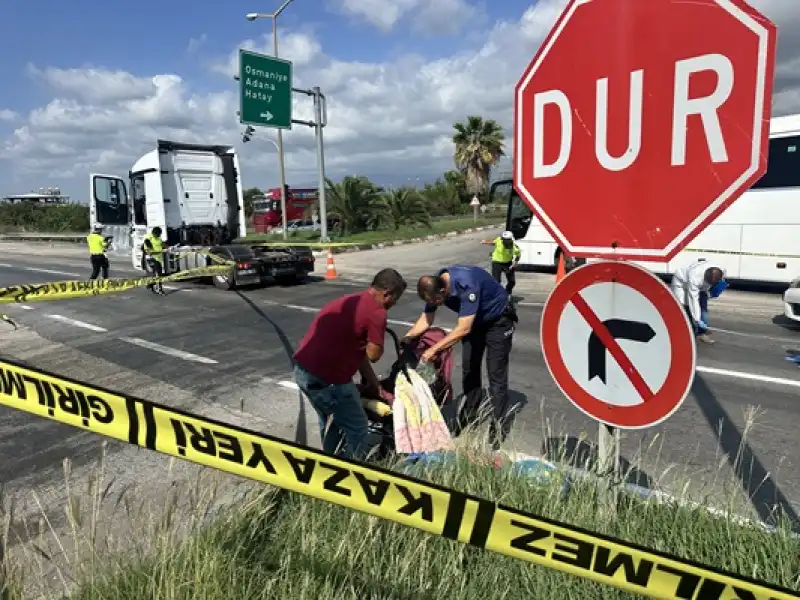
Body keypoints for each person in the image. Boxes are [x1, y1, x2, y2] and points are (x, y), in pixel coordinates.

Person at [293, 268, 407, 460]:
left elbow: (358, 351)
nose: (393, 304)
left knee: (332, 422)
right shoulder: (376, 312)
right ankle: (350, 473)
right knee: (358, 428)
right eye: (394, 299)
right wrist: (376, 333)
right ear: (387, 293)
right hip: (329, 381)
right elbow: (373, 355)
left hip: (304, 372)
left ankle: (331, 462)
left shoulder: (350, 300)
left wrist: (374, 384)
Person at [404, 265, 517, 448]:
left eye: (438, 300)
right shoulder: (434, 287)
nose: (437, 304)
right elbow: (426, 318)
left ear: (443, 290)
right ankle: (468, 419)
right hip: (475, 322)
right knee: (469, 371)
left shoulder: (466, 284)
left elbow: (463, 329)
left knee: (496, 376)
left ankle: (498, 429)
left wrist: (433, 350)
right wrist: (408, 337)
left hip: (498, 321)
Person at [670, 259, 726, 345]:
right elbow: (693, 300)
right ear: (705, 278)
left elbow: (721, 281)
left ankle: (701, 333)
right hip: (681, 283)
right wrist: (697, 319)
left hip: (702, 286)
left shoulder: (721, 270)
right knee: (685, 307)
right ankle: (687, 332)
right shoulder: (695, 278)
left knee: (703, 309)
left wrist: (715, 289)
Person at [480, 230, 521, 295]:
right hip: (497, 263)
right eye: (503, 239)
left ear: (510, 239)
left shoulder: (514, 247)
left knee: (512, 281)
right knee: (496, 281)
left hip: (508, 264)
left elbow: (518, 255)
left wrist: (514, 263)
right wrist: (485, 242)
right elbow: (493, 242)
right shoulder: (499, 240)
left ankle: (507, 292)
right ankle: (497, 295)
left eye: (506, 240)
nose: (504, 241)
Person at [142, 226, 168, 295]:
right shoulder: (148, 238)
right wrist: (161, 250)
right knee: (158, 274)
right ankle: (159, 290)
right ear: (154, 233)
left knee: (155, 274)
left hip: (158, 259)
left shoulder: (158, 238)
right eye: (159, 234)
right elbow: (149, 252)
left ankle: (150, 284)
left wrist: (167, 247)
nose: (159, 236)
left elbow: (162, 244)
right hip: (151, 258)